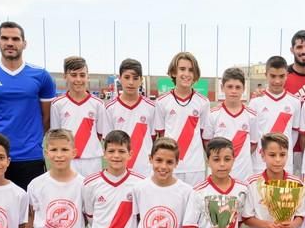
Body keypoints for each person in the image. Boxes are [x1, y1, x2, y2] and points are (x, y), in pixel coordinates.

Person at [0, 21, 57, 191]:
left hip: (30, 156)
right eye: (5, 38)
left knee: (31, 211)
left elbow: (47, 118)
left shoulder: (41, 76)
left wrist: (30, 139)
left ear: (24, 43)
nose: (10, 43)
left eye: (15, 39)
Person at [154, 52, 210, 186]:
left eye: (191, 70)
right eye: (182, 69)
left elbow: (206, 137)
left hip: (195, 168)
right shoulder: (162, 102)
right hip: (171, 166)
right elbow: (161, 137)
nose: (187, 74)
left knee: (195, 205)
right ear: (173, 72)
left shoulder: (203, 102)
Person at [50, 56, 108, 177]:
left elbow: (100, 134)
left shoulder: (98, 104)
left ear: (88, 77)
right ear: (65, 76)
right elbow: (56, 136)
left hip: (92, 160)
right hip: (68, 160)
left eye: (82, 75)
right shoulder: (57, 104)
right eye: (74, 75)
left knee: (91, 195)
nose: (78, 79)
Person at [202, 67, 259, 182]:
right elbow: (207, 142)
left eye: (238, 87)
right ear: (222, 88)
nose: (234, 91)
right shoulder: (213, 114)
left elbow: (253, 144)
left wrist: (237, 159)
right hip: (219, 174)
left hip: (243, 174)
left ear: (244, 88)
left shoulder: (252, 115)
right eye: (229, 87)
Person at [248, 56, 301, 175]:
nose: (277, 81)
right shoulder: (255, 102)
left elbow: (294, 134)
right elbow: (252, 135)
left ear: (287, 75)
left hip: (284, 164)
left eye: (281, 76)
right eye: (273, 76)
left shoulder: (295, 102)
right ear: (266, 74)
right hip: (260, 164)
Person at [105, 58, 156, 178]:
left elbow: (154, 139)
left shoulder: (152, 107)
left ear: (141, 80)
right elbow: (108, 143)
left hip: (145, 171)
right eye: (127, 77)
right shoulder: (110, 108)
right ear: (120, 78)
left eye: (135, 78)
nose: (131, 82)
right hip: (119, 171)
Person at [285, 30, 305, 176]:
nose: (304, 51)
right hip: (288, 149)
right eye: (299, 47)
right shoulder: (283, 75)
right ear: (292, 49)